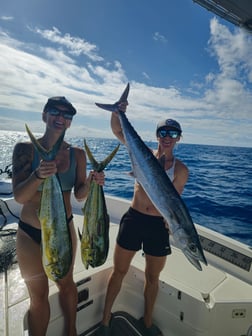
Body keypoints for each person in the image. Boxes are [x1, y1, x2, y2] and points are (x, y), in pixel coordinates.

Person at [12, 96, 105, 336]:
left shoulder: (78, 155)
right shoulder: (24, 149)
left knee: (66, 284)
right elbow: (20, 197)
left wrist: (94, 184)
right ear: (44, 115)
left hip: (63, 231)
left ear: (70, 122)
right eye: (55, 111)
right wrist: (38, 175)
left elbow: (80, 194)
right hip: (30, 234)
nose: (61, 117)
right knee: (38, 295)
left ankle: (71, 331)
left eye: (67, 115)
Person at [97, 105, 189, 336]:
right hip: (134, 219)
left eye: (173, 134)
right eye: (163, 133)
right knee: (119, 271)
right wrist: (117, 112)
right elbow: (118, 132)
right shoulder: (142, 152)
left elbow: (173, 203)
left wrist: (171, 224)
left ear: (179, 138)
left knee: (153, 278)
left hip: (158, 226)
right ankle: (105, 321)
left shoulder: (181, 170)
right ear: (157, 136)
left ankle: (147, 323)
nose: (167, 138)